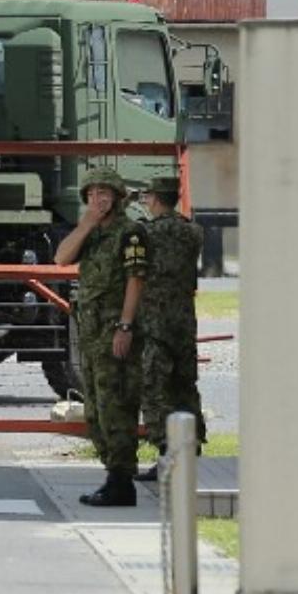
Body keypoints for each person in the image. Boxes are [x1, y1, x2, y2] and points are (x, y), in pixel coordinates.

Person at [54, 166, 148, 507]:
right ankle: (113, 475)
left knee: (116, 408)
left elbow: (136, 281)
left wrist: (125, 326)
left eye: (105, 194)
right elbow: (61, 258)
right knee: (94, 410)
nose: (98, 200)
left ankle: (122, 481)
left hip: (114, 334)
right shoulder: (91, 233)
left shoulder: (131, 233)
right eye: (93, 195)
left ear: (119, 198)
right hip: (91, 336)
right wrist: (86, 224)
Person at [135, 175, 207, 481]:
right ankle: (192, 442)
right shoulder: (193, 231)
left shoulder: (146, 233)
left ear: (155, 199)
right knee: (184, 383)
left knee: (154, 386)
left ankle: (166, 449)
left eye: (147, 196)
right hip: (184, 317)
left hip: (155, 320)